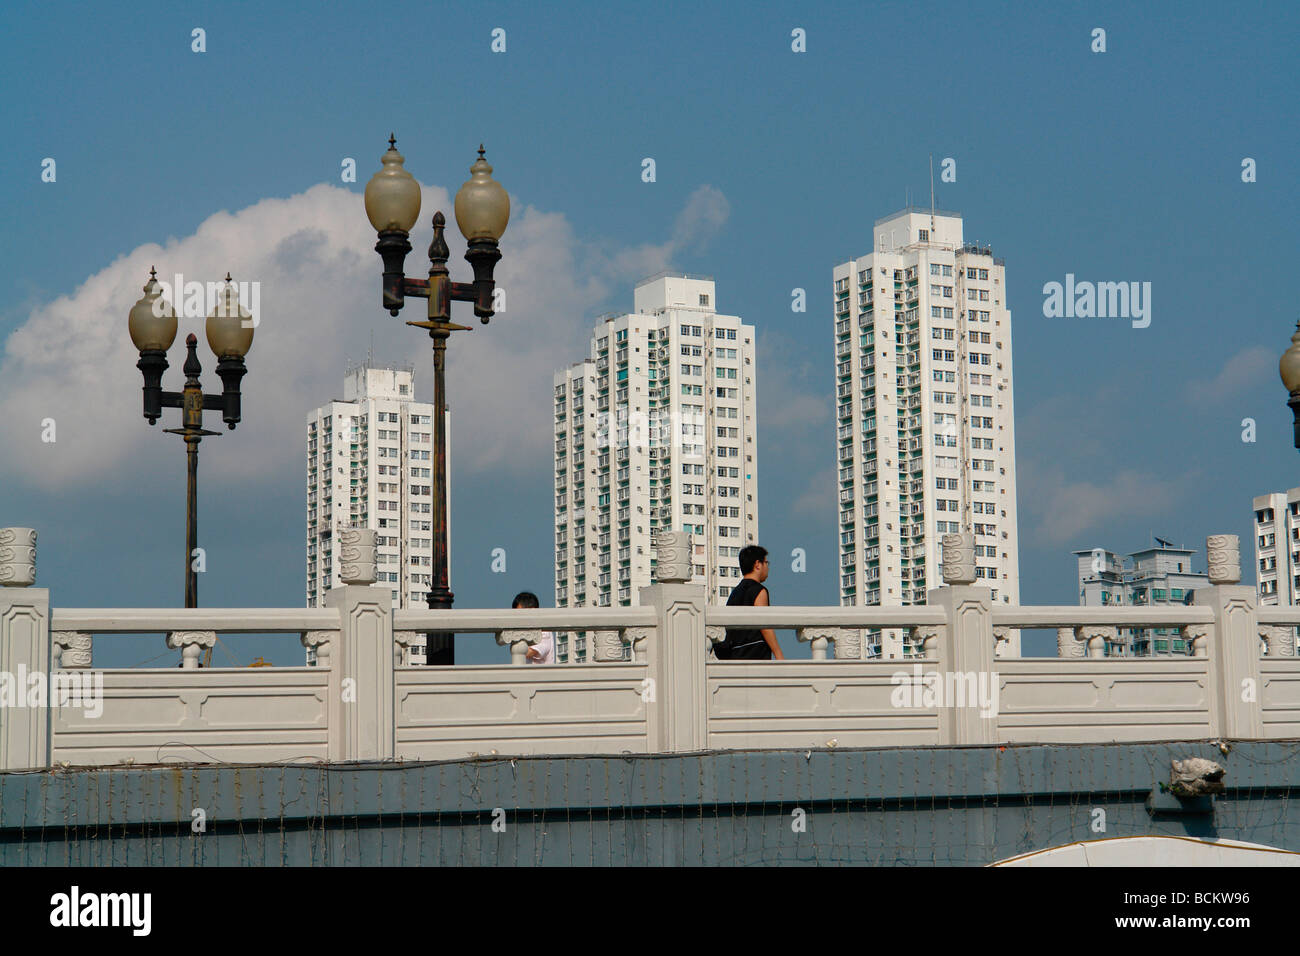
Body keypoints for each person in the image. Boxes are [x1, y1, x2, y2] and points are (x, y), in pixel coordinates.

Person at [717, 545, 784, 660]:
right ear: (758, 564)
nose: (767, 567)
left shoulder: (734, 593)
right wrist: (779, 654)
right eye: (766, 563)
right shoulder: (759, 590)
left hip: (735, 655)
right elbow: (764, 624)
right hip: (755, 654)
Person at [511, 591, 555, 664]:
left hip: (542, 675)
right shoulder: (522, 630)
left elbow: (529, 652)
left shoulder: (544, 631)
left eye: (520, 614)